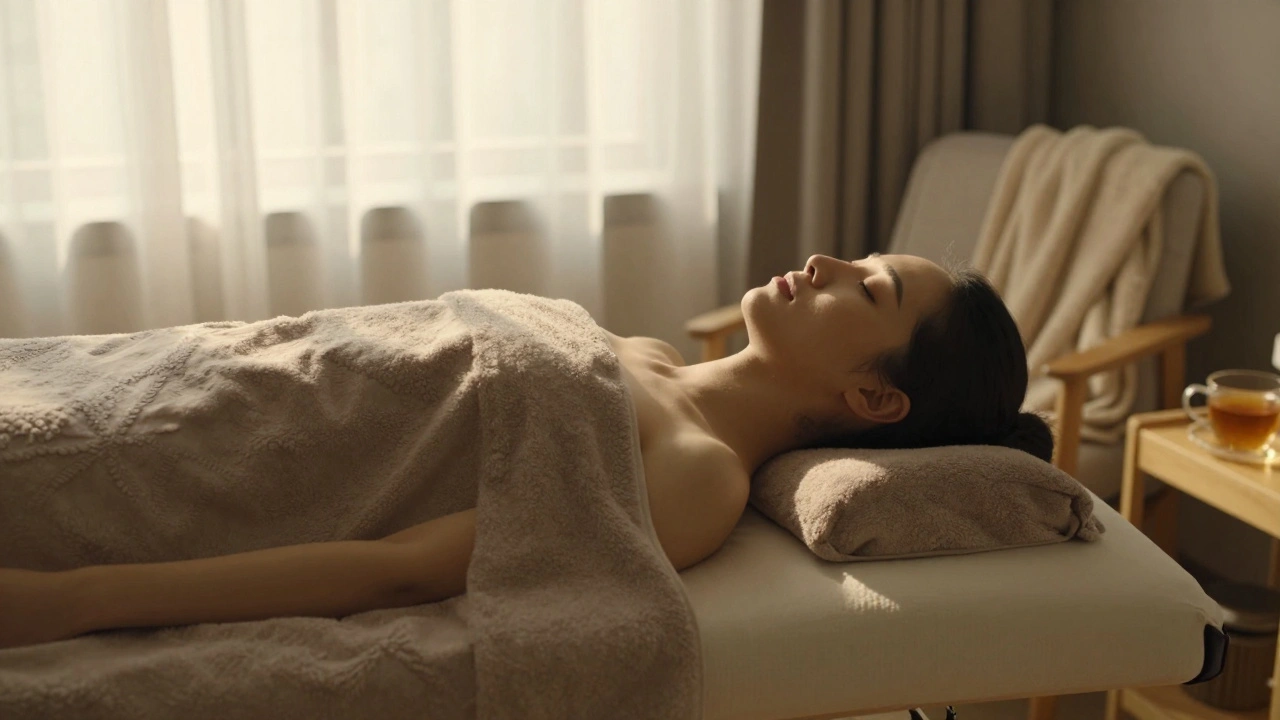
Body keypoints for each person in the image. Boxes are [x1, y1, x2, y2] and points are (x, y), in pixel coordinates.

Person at [0, 252, 1051, 649]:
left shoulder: (700, 479)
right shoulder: (638, 351)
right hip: (225, 369)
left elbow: (405, 566)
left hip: (225, 448)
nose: (820, 259)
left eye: (863, 289)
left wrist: (85, 598)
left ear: (874, 396)